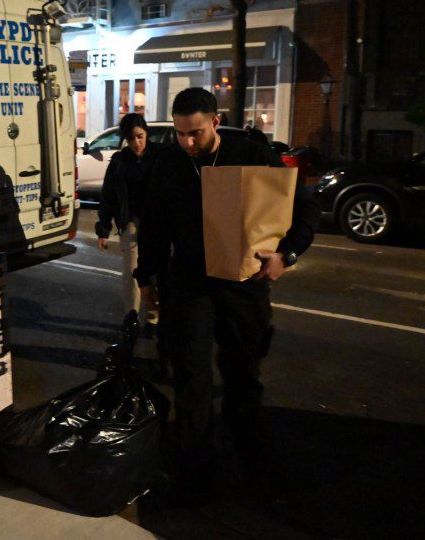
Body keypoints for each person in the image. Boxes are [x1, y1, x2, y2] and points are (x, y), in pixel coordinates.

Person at [134, 87, 319, 501]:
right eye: (180, 134)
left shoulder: (251, 154)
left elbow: (303, 209)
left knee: (242, 374)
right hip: (189, 285)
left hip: (243, 286)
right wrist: (146, 277)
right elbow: (153, 226)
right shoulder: (167, 163)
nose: (188, 142)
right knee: (191, 378)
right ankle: (196, 471)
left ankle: (251, 456)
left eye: (195, 133)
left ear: (215, 122)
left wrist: (285, 256)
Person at [95, 113, 158, 320]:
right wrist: (103, 229)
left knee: (156, 273)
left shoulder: (160, 156)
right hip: (130, 222)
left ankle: (153, 317)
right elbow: (108, 196)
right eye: (131, 139)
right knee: (131, 273)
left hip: (157, 223)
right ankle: (131, 319)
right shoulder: (120, 161)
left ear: (146, 132)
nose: (136, 142)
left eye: (140, 136)